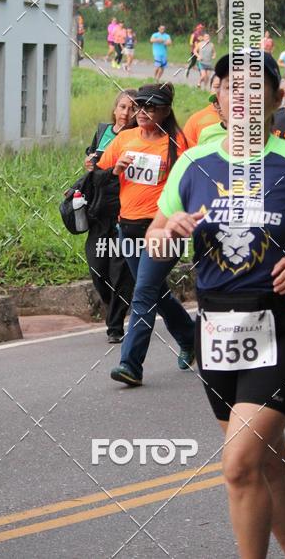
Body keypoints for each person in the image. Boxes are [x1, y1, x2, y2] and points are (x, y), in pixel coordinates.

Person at [147, 50, 285, 559]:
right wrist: (169, 230)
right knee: (267, 462)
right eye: (232, 87)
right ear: (219, 98)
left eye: (257, 89)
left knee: (238, 465)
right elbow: (154, 234)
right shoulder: (193, 164)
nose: (244, 97)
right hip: (218, 333)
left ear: (278, 99)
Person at [97, 83, 195, 386]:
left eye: (151, 107)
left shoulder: (178, 143)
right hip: (127, 228)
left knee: (143, 295)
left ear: (165, 111)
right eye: (139, 106)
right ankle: (191, 337)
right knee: (154, 292)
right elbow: (97, 175)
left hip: (163, 232)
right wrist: (115, 171)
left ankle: (130, 364)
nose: (141, 113)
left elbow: (189, 188)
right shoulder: (123, 139)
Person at [84, 90, 139, 343]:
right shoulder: (103, 132)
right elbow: (94, 171)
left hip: (125, 213)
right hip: (98, 212)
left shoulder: (139, 138)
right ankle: (115, 307)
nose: (126, 113)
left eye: (132, 109)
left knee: (121, 272)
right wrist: (81, 180)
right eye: (122, 107)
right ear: (115, 109)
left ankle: (115, 326)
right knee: (98, 269)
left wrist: (108, 172)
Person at [183, 75, 221, 147]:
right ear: (210, 89)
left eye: (227, 88)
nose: (221, 92)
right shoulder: (195, 119)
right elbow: (185, 149)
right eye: (217, 87)